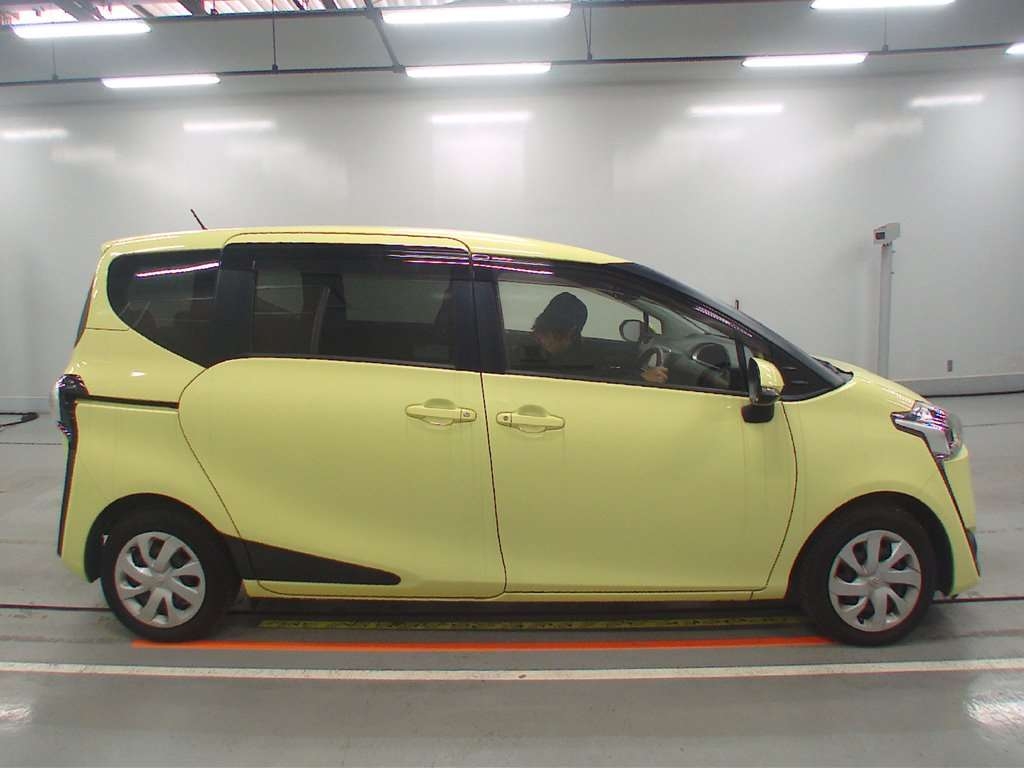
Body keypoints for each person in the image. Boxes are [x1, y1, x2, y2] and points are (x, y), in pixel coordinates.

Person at [526, 292, 669, 384]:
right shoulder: (532, 358)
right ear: (572, 332)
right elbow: (591, 378)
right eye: (543, 332)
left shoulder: (567, 354)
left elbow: (598, 371)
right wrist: (640, 378)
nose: (543, 339)